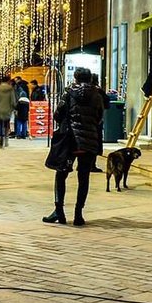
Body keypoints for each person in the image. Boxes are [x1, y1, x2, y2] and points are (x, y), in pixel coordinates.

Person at [43, 67, 105, 226]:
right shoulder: (97, 95)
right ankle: (78, 214)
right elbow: (99, 117)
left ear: (75, 78)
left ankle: (59, 211)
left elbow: (58, 115)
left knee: (61, 174)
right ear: (90, 78)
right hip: (89, 140)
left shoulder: (68, 93)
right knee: (83, 177)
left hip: (70, 140)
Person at [0, 74, 17, 149]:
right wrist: (13, 108)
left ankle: (0, 142)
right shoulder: (10, 89)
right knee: (6, 126)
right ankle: (6, 141)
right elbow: (13, 101)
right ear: (8, 81)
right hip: (8, 110)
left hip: (0, 110)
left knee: (0, 125)